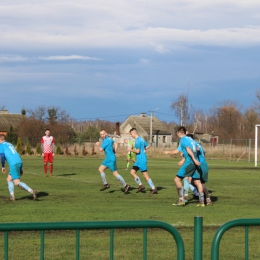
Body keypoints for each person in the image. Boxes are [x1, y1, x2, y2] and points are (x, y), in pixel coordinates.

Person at [163, 126, 205, 206]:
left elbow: (188, 150)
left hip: (190, 163)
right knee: (197, 181)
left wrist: (194, 159)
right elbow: (198, 148)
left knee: (177, 179)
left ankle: (181, 200)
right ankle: (202, 201)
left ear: (179, 133)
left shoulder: (182, 140)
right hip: (195, 163)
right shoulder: (191, 139)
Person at [0, 134, 37, 201]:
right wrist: (20, 167)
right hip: (19, 161)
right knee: (9, 179)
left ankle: (31, 191)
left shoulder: (1, 145)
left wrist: (3, 166)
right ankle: (12, 196)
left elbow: (2, 156)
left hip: (13, 164)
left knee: (16, 182)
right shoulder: (10, 144)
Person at [96, 129, 130, 194]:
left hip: (110, 159)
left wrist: (98, 145)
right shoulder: (109, 139)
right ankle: (106, 184)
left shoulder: (106, 141)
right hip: (108, 159)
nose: (102, 135)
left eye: (103, 134)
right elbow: (116, 143)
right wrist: (114, 151)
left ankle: (126, 185)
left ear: (106, 134)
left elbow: (100, 150)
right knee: (100, 169)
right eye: (101, 134)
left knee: (115, 174)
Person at [128, 128, 158, 194]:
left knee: (145, 175)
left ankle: (153, 188)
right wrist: (143, 150)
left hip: (141, 160)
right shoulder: (141, 139)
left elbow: (138, 151)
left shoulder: (137, 141)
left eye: (131, 134)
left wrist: (130, 150)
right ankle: (140, 185)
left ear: (134, 133)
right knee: (132, 172)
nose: (131, 135)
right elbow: (148, 146)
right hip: (139, 160)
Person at [186, 133, 212, 206]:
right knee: (200, 184)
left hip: (198, 165)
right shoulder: (198, 144)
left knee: (193, 182)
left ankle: (202, 198)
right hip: (204, 165)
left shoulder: (191, 145)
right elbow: (203, 153)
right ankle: (208, 198)